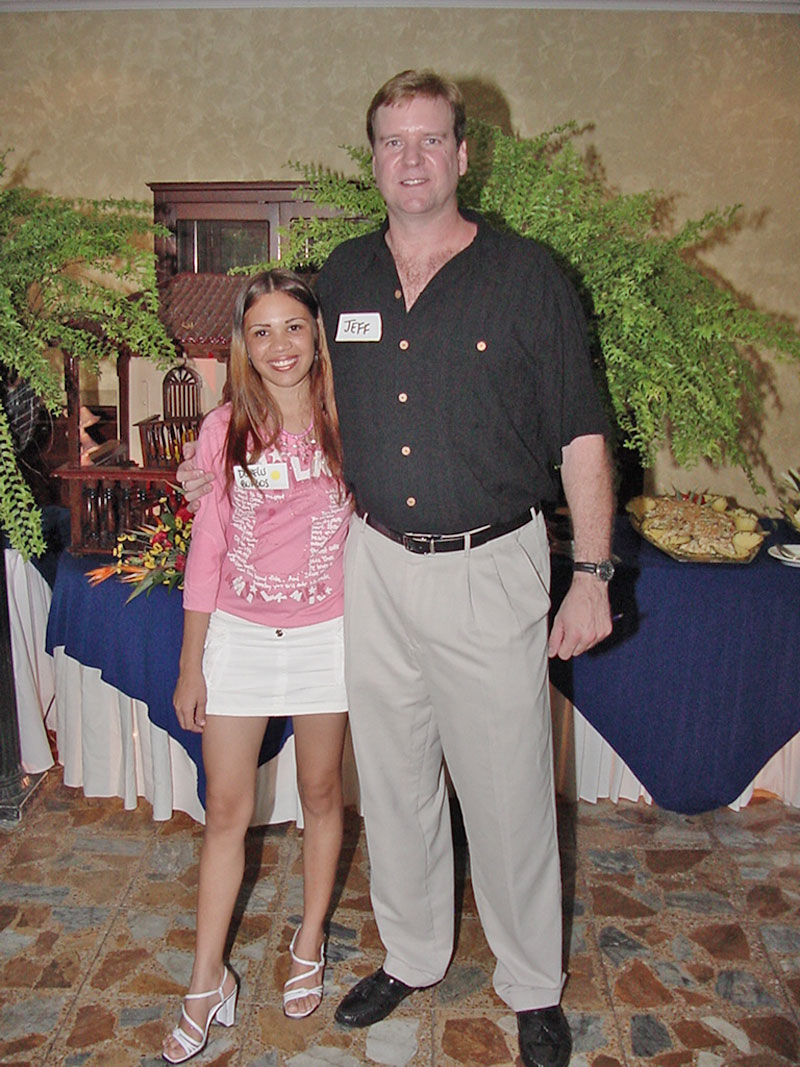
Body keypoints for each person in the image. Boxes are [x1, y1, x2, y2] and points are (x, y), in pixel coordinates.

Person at [179, 70, 613, 1067]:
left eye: (428, 139)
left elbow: (581, 430)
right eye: (391, 141)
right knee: (395, 775)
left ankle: (530, 982)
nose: (410, 158)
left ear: (462, 154)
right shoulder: (344, 275)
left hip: (487, 563)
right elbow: (282, 370)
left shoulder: (528, 276)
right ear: (371, 158)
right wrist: (214, 453)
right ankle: (413, 952)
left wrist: (591, 571)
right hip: (368, 564)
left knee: (507, 790)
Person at [163, 270, 351, 1064]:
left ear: (318, 334)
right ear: (243, 343)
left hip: (327, 636)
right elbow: (206, 550)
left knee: (320, 792)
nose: (280, 345)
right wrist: (192, 663)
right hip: (238, 637)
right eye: (262, 330)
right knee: (226, 810)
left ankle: (309, 938)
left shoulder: (351, 419)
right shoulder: (224, 428)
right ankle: (207, 980)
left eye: (294, 326)